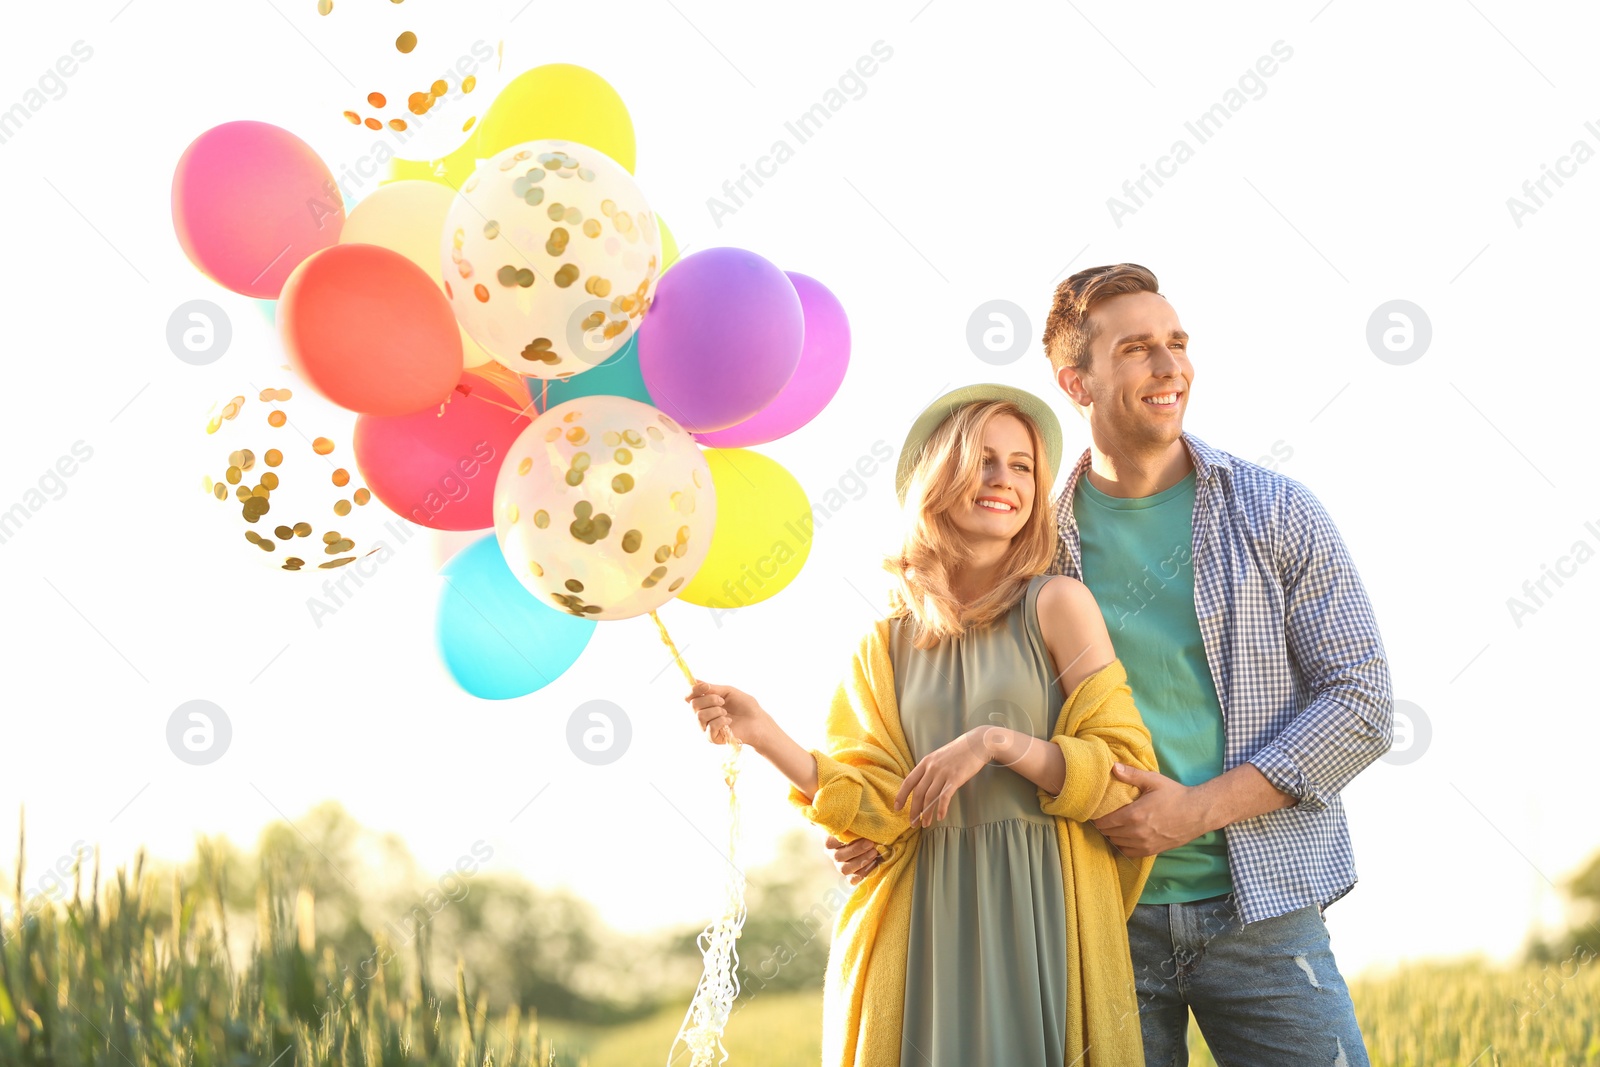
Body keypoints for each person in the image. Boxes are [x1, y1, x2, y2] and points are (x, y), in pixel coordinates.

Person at [827, 264, 1395, 1065]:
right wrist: (874, 820)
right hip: (1087, 916)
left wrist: (1194, 811)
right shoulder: (1029, 540)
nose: (1169, 368)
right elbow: (940, 696)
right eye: (1136, 349)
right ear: (1076, 381)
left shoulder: (1274, 512)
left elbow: (1363, 703)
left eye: (1176, 343)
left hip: (1261, 901)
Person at [685, 384, 1159, 1066]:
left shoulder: (1058, 605)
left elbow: (1121, 773)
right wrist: (764, 734)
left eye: (1022, 465)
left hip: (1040, 913)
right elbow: (872, 803)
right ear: (940, 480)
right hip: (923, 916)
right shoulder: (885, 642)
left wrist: (997, 742)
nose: (1004, 480)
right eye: (983, 461)